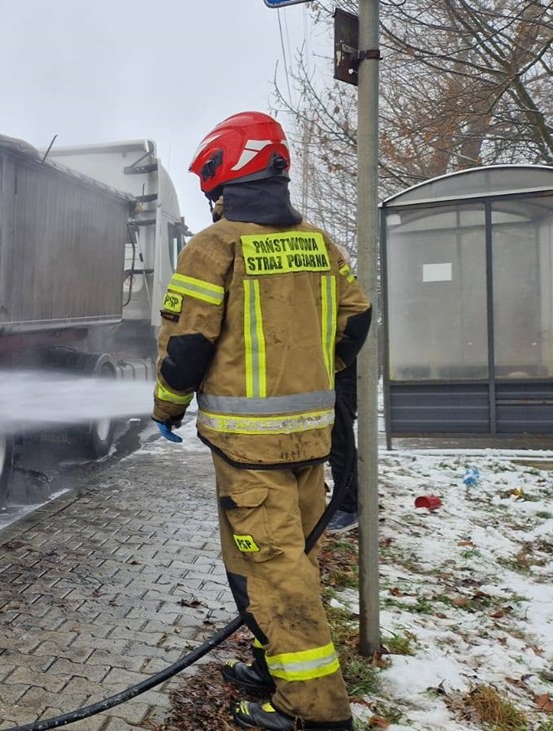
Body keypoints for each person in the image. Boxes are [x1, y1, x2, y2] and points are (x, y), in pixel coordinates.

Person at [151, 111, 371, 730]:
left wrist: (167, 406)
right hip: (310, 440)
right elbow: (356, 319)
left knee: (271, 573)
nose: (214, 201)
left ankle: (314, 709)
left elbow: (186, 346)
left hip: (250, 452)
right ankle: (273, 666)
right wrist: (314, 369)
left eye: (214, 189)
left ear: (227, 180)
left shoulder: (214, 247)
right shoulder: (320, 243)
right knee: (290, 560)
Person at [326, 358, 359, 533]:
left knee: (339, 442)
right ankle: (345, 504)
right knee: (334, 442)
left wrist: (339, 362)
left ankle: (348, 507)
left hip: (341, 373)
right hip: (326, 372)